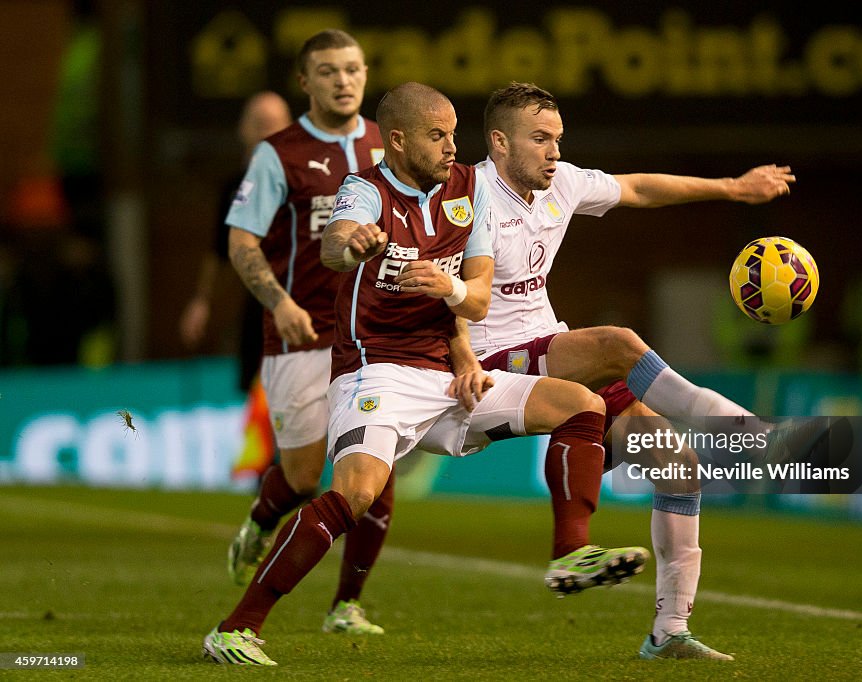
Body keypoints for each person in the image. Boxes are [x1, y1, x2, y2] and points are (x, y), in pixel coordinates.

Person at [203, 82, 647, 666]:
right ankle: (236, 628)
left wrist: (456, 313)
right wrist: (353, 242)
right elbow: (336, 247)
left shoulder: (469, 190)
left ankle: (570, 554)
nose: (450, 147)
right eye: (437, 136)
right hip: (375, 372)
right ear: (398, 140)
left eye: (454, 134)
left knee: (582, 407)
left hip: (446, 374)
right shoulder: (364, 189)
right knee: (355, 494)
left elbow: (479, 297)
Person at [471, 82, 800, 661]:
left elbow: (639, 188)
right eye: (540, 139)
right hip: (493, 360)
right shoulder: (464, 194)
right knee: (617, 342)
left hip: (550, 347)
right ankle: (737, 425)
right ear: (499, 143)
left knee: (678, 465)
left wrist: (731, 188)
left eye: (558, 139)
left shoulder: (563, 184)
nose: (554, 151)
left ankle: (668, 633)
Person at [219, 29, 393, 638]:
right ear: (305, 81)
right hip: (301, 336)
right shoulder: (280, 153)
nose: (342, 81)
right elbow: (240, 241)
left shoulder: (385, 143)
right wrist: (278, 301)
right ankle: (262, 517)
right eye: (327, 71)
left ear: (365, 73)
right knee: (301, 477)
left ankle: (346, 604)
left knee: (374, 468)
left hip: (373, 339)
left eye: (351, 69)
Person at [178, 91, 291, 484]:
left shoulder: (303, 180)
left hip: (308, 303)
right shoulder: (234, 187)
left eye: (273, 123)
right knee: (260, 387)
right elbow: (218, 250)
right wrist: (202, 301)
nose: (265, 131)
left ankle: (291, 473)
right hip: (259, 307)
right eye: (258, 123)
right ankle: (271, 476)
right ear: (243, 130)